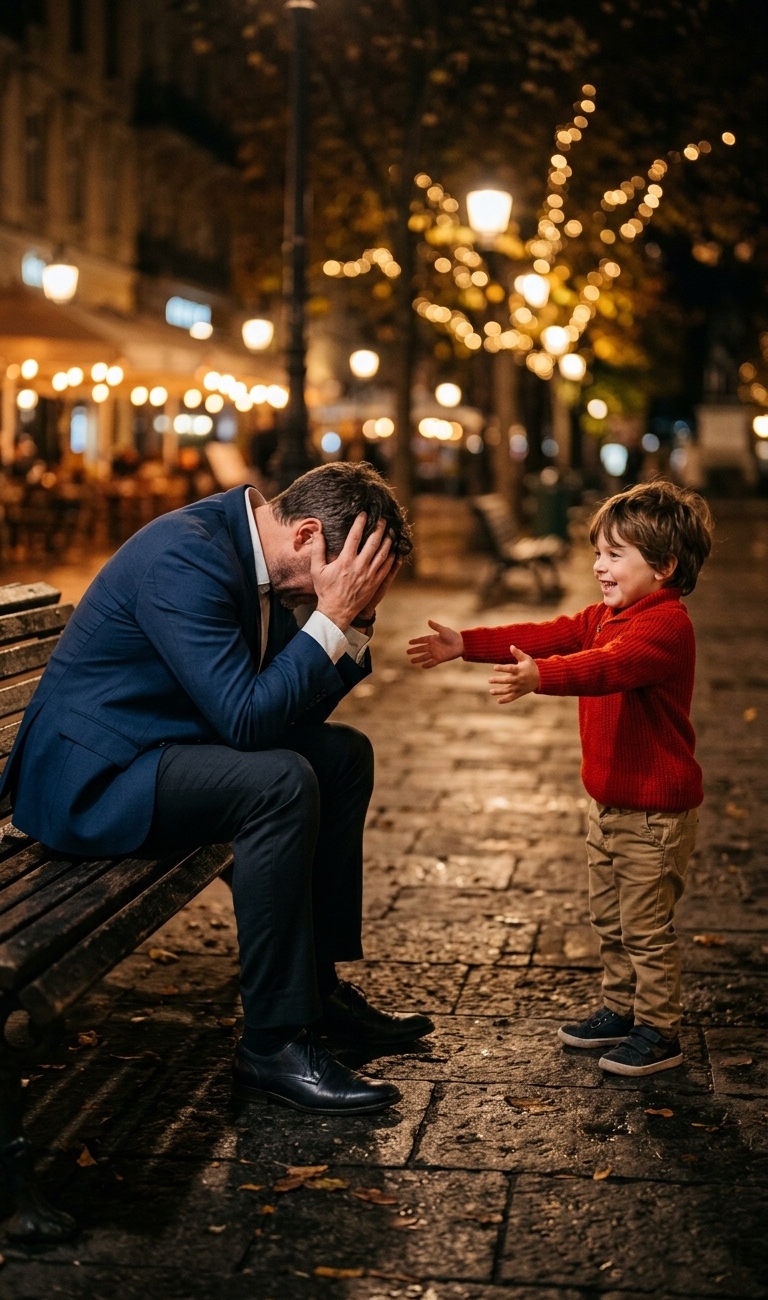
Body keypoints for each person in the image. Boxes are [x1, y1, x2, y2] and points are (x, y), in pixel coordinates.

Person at [1, 462, 432, 1114]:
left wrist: (353, 621)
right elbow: (250, 722)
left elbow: (289, 714)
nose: (357, 591)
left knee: (343, 755)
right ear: (309, 537)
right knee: (280, 783)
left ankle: (319, 993)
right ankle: (272, 1042)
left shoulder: (258, 559)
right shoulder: (188, 556)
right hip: (94, 780)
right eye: (357, 575)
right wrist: (330, 617)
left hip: (162, 746)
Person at [408, 480, 713, 1078]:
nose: (599, 566)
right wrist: (467, 644)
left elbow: (606, 668)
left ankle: (659, 1030)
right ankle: (621, 1009)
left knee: (646, 927)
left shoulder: (666, 626)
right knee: (610, 917)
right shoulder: (606, 614)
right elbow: (548, 634)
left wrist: (539, 678)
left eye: (615, 554)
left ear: (664, 565)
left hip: (654, 813)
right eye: (598, 551)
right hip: (608, 805)